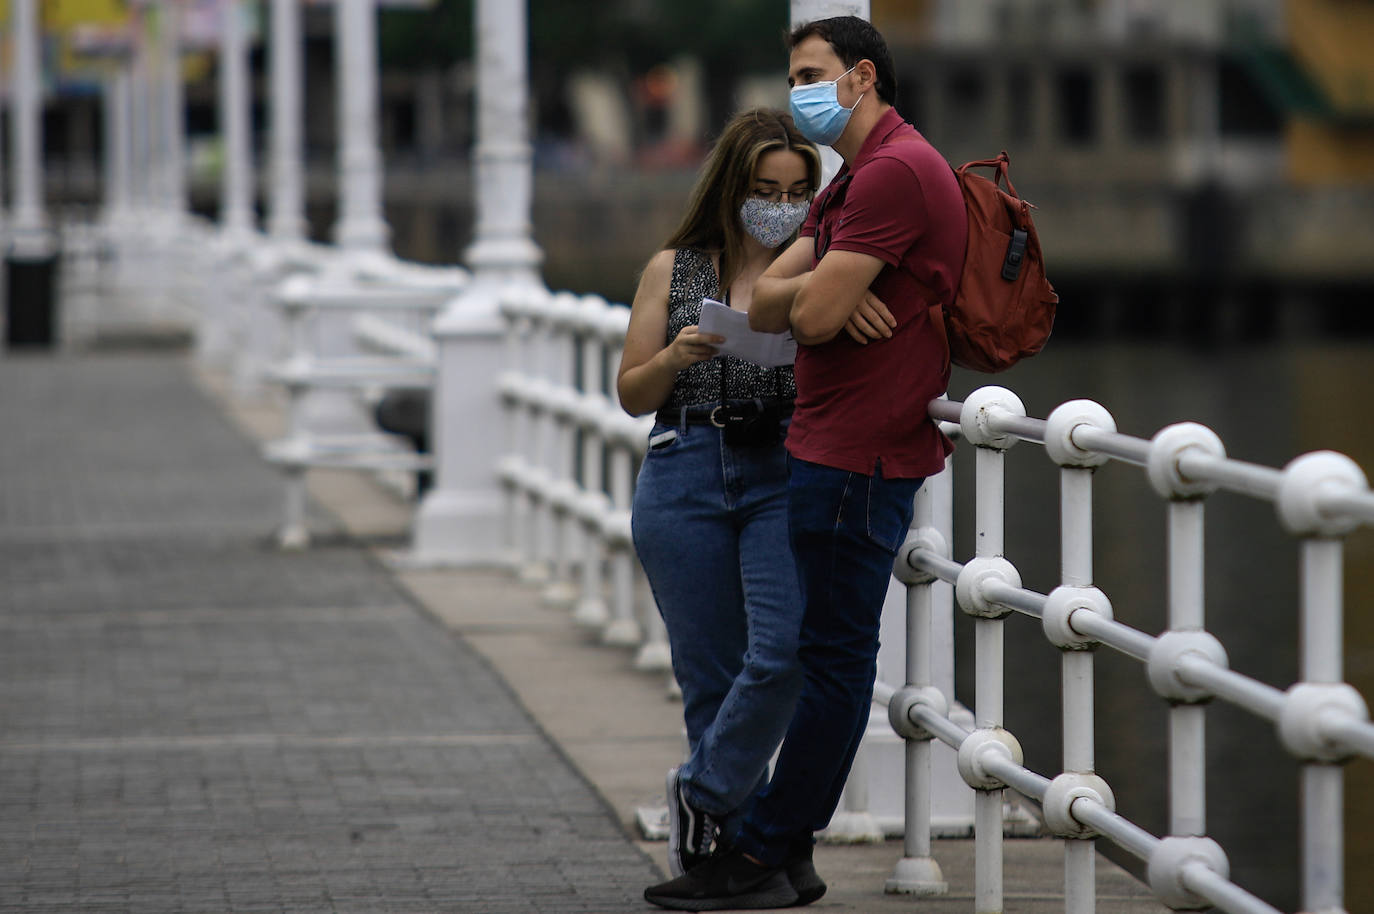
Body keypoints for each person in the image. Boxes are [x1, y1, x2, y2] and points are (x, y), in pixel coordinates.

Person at [644, 17, 968, 911]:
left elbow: (811, 316)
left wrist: (818, 294)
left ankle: (752, 846)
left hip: (857, 451)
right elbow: (778, 293)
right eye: (793, 78)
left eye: (811, 75)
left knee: (822, 663)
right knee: (819, 660)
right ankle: (767, 853)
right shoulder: (856, 180)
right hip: (824, 447)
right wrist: (818, 287)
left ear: (862, 77)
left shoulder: (894, 172)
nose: (800, 94)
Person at [617, 108, 831, 903]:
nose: (780, 203)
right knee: (710, 680)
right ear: (732, 187)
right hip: (685, 470)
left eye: (797, 190)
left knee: (783, 654)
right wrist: (677, 352)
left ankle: (704, 799)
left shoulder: (817, 266)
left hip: (782, 467)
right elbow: (632, 393)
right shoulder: (676, 269)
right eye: (765, 188)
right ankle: (747, 858)